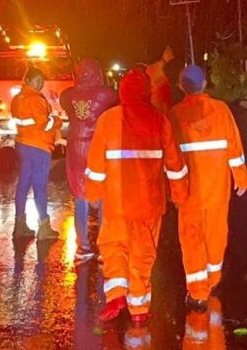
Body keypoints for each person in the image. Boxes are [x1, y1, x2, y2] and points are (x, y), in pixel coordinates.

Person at [86, 68, 188, 323]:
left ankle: (117, 295)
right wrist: (180, 194)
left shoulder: (108, 120)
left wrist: (92, 192)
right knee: (143, 254)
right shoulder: (160, 120)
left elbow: (96, 164)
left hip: (116, 202)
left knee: (113, 247)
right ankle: (139, 310)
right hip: (149, 203)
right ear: (147, 92)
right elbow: (175, 164)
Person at [169, 65, 247, 311]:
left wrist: (168, 187)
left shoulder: (174, 114)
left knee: (192, 237)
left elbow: (169, 156)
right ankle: (213, 280)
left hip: (189, 190)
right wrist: (241, 178)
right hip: (217, 188)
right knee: (216, 234)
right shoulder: (222, 110)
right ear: (205, 84)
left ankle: (198, 293)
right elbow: (234, 147)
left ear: (181, 86)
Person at [60, 58, 118, 264]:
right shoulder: (105, 95)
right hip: (97, 148)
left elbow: (67, 103)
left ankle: (83, 248)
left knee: (80, 196)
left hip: (75, 148)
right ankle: (104, 247)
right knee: (102, 197)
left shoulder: (68, 96)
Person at [11, 66, 63, 240]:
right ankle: (44, 227)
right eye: (37, 80)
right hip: (39, 147)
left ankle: (19, 225)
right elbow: (44, 123)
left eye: (42, 81)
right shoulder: (35, 99)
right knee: (40, 186)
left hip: (23, 144)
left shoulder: (17, 99)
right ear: (28, 81)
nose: (40, 84)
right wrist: (56, 121)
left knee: (23, 185)